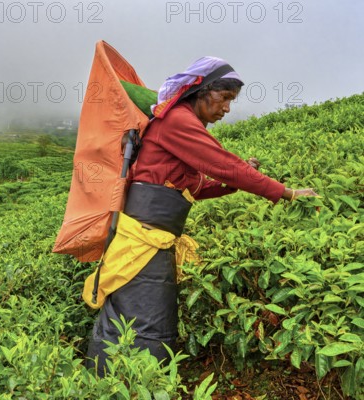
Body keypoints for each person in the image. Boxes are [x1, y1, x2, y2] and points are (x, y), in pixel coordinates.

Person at [85, 57, 317, 372]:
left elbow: (194, 187)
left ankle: (134, 379)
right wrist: (284, 192)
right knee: (141, 313)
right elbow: (224, 164)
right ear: (202, 91)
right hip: (143, 237)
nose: (226, 108)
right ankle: (119, 381)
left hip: (156, 239)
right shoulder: (178, 120)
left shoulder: (182, 123)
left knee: (146, 313)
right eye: (224, 99)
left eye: (230, 102)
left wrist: (234, 182)